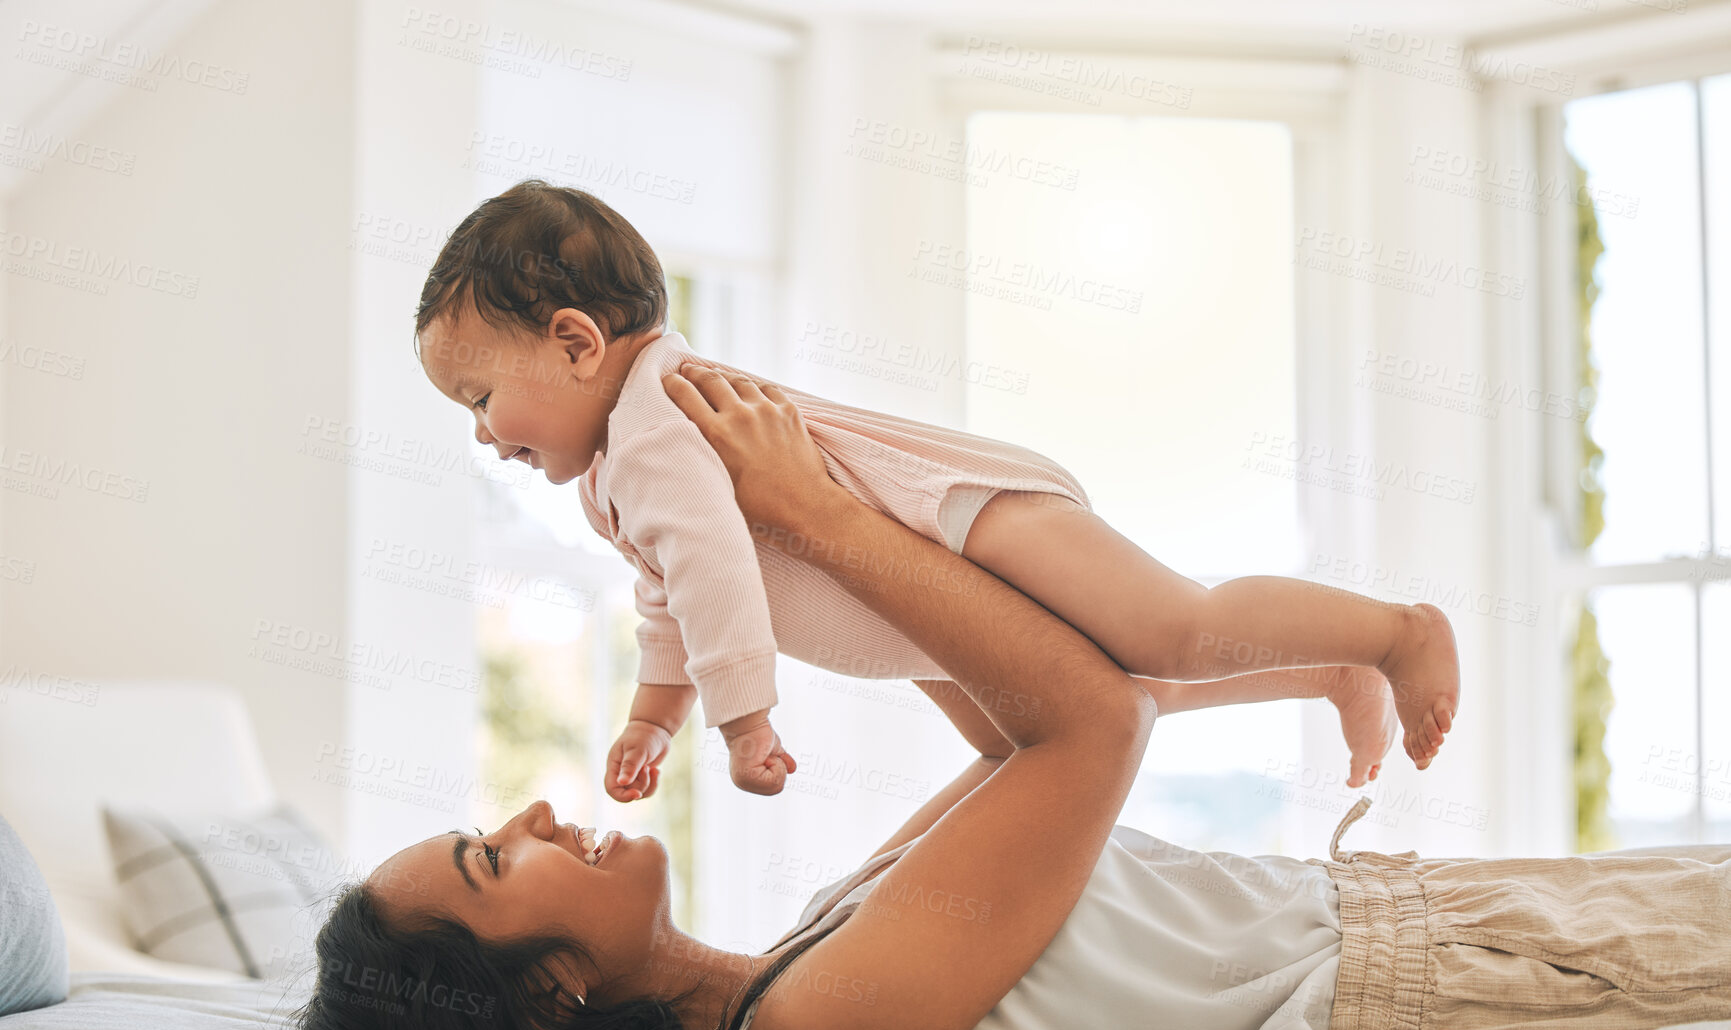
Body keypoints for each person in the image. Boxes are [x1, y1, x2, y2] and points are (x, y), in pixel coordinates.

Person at [293, 367, 1731, 1030]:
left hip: (1414, 917)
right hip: (1423, 977)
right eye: (498, 856)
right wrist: (817, 519)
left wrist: (809, 547)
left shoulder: (805, 945)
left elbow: (1013, 733)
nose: (538, 808)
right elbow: (1090, 726)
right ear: (549, 991)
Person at [412, 179, 1459, 801]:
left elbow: (714, 569)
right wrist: (653, 717)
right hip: (916, 595)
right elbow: (669, 594)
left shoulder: (656, 422)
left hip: (953, 515)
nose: (480, 431)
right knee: (1072, 712)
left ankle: (1394, 632)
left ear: (576, 342)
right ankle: (1330, 671)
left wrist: (742, 723)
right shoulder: (614, 470)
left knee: (1170, 628)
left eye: (480, 394)